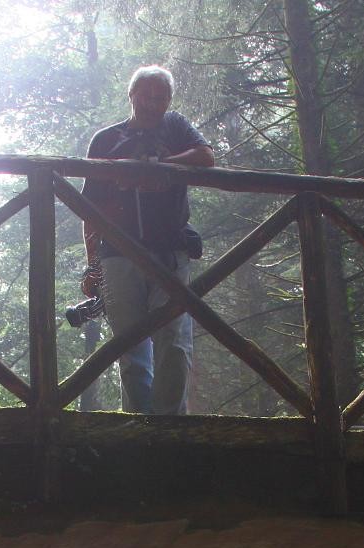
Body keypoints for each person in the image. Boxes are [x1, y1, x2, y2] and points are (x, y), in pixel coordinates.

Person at [80, 66, 214, 415]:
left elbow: (206, 156)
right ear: (132, 94)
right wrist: (91, 265)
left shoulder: (176, 127)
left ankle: (170, 424)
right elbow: (89, 209)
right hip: (117, 254)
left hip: (170, 251)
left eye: (161, 97)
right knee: (130, 343)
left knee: (174, 340)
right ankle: (139, 424)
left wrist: (164, 165)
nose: (153, 103)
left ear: (169, 100)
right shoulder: (106, 139)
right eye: (147, 95)